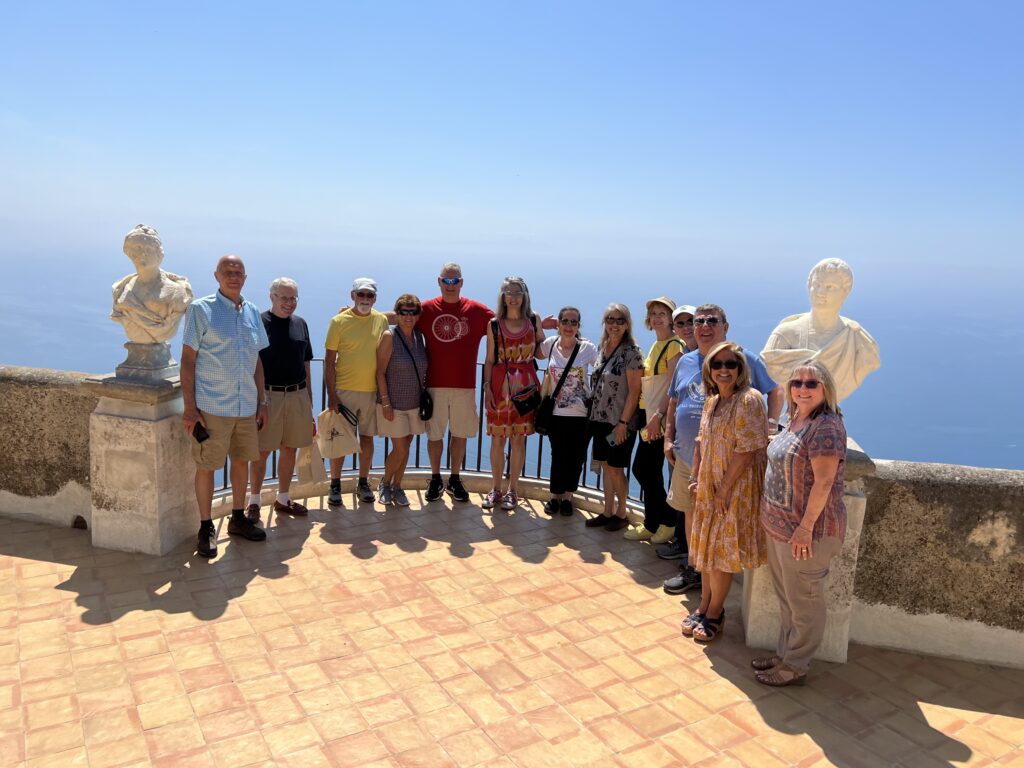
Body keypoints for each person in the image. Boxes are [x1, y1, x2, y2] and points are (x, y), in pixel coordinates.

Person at [660, 304, 783, 594]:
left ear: (725, 326)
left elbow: (774, 390)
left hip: (727, 465)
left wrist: (772, 423)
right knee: (692, 515)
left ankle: (713, 589)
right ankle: (695, 569)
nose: (704, 326)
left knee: (720, 523)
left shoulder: (743, 359)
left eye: (711, 321)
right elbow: (674, 401)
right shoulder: (686, 362)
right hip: (689, 456)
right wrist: (668, 437)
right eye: (698, 321)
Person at [753, 359, 847, 686]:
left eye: (811, 383)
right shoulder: (795, 418)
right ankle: (784, 654)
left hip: (808, 534)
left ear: (825, 389)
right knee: (788, 599)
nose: (802, 389)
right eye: (797, 383)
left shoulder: (826, 428)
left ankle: (796, 666)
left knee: (804, 602)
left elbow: (823, 483)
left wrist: (805, 529)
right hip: (782, 530)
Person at [181, 255, 269, 558]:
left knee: (242, 462)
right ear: (216, 275)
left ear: (245, 277)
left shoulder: (253, 312)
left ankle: (237, 518)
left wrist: (262, 401)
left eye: (239, 272)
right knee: (206, 467)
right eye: (228, 272)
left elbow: (257, 361)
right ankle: (205, 527)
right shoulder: (201, 310)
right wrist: (190, 408)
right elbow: (188, 360)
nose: (234, 276)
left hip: (245, 406)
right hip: (212, 407)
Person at [683, 341, 770, 642]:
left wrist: (724, 490)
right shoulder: (712, 401)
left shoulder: (749, 400)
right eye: (717, 364)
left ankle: (715, 611)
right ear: (709, 369)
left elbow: (747, 451)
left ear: (740, 369)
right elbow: (701, 442)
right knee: (707, 550)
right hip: (710, 485)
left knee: (722, 552)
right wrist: (696, 477)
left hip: (734, 488)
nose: (723, 370)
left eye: (730, 364)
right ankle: (704, 605)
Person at [416, 263, 494, 504]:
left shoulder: (477, 310)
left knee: (460, 435)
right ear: (439, 282)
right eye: (446, 281)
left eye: (454, 281)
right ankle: (436, 477)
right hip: (435, 385)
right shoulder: (426, 309)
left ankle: (455, 478)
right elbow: (400, 315)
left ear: (461, 282)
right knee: (434, 436)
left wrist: (538, 322)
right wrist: (359, 313)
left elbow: (506, 321)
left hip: (465, 386)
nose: (450, 285)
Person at [761, 258, 880, 402]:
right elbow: (766, 373)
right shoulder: (785, 334)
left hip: (829, 418)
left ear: (846, 292)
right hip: (792, 420)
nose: (820, 292)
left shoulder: (858, 340)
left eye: (830, 287)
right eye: (816, 285)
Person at [247, 278, 314, 522]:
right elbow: (252, 363)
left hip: (297, 395)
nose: (289, 303)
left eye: (293, 298)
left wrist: (309, 401)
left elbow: (305, 363)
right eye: (284, 297)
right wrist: (259, 402)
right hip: (268, 396)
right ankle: (253, 502)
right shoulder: (259, 323)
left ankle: (283, 498)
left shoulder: (301, 324)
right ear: (272, 297)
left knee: (290, 449)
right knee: (262, 452)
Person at [481, 277, 545, 510]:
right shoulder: (494, 324)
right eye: (509, 292)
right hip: (500, 386)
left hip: (526, 387)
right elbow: (489, 359)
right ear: (503, 296)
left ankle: (512, 491)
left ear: (524, 295)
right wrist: (487, 387)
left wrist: (571, 341)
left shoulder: (533, 319)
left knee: (518, 441)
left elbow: (541, 352)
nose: (513, 296)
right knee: (497, 440)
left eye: (518, 292)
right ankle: (495, 489)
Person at [625, 297, 685, 543]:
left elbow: (671, 387)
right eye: (654, 313)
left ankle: (666, 522)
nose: (658, 317)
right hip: (647, 416)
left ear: (671, 318)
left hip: (657, 418)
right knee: (646, 470)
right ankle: (653, 522)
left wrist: (658, 418)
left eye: (663, 313)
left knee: (645, 468)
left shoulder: (674, 346)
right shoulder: (657, 345)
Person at [324, 277, 389, 505]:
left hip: (371, 391)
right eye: (360, 294)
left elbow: (397, 316)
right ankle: (335, 485)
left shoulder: (380, 320)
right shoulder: (338, 322)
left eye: (369, 295)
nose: (364, 299)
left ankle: (363, 482)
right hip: (344, 391)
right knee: (340, 441)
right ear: (352, 296)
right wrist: (332, 394)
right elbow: (329, 360)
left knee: (367, 439)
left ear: (374, 299)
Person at [584, 304, 644, 532]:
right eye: (611, 319)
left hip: (620, 422)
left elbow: (634, 390)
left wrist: (623, 423)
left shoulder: (632, 353)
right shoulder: (604, 347)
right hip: (600, 420)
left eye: (620, 320)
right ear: (605, 322)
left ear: (627, 324)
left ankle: (622, 513)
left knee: (616, 468)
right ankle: (607, 511)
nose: (615, 324)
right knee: (607, 467)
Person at [539, 307, 598, 516]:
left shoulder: (587, 349)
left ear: (578, 326)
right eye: (565, 321)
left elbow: (602, 366)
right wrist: (538, 322)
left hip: (581, 415)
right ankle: (555, 496)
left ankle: (568, 497)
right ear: (559, 324)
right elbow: (533, 350)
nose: (569, 326)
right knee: (558, 456)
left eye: (574, 322)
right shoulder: (550, 344)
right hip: (556, 413)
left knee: (576, 458)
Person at [375, 294, 429, 507]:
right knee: (401, 449)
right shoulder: (390, 336)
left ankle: (398, 486)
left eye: (413, 312)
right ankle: (385, 483)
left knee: (406, 445)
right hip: (394, 404)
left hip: (414, 404)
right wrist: (385, 402)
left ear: (418, 315)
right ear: (397, 314)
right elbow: (379, 372)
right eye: (404, 312)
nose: (408, 316)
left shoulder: (419, 337)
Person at [111, 224, 192, 344]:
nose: (143, 253)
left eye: (149, 249)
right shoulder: (120, 289)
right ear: (128, 252)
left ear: (159, 254)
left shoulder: (178, 292)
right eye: (138, 248)